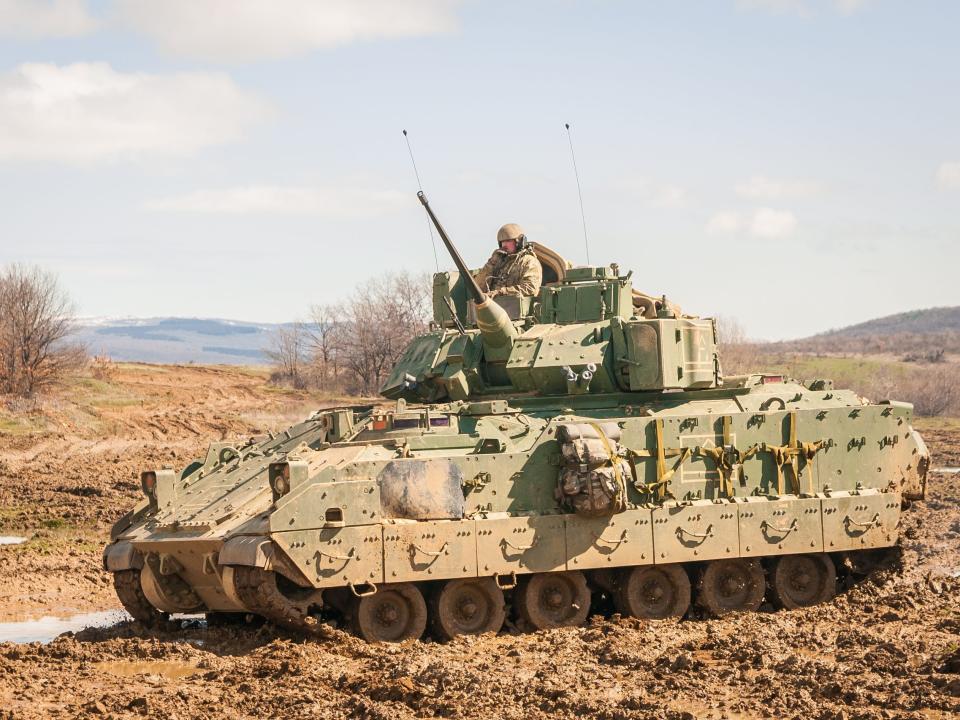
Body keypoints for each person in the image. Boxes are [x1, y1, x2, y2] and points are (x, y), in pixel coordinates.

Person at [474, 223, 543, 298]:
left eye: (508, 241)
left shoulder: (529, 262)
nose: (504, 245)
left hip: (515, 307)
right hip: (494, 306)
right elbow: (477, 288)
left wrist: (501, 292)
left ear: (519, 242)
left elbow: (530, 289)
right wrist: (491, 263)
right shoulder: (499, 262)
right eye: (502, 242)